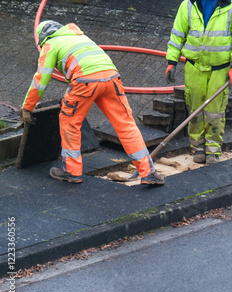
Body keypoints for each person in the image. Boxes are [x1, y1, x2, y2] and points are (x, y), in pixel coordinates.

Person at [20, 20, 164, 185]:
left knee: (69, 121)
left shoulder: (50, 44)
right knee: (125, 124)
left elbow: (40, 81)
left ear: (42, 38)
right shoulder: (79, 37)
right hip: (111, 78)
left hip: (85, 81)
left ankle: (71, 171)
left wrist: (27, 107)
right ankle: (149, 173)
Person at [166, 0, 232, 164]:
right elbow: (177, 35)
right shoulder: (189, 5)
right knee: (195, 108)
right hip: (194, 67)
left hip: (220, 69)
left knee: (215, 110)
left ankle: (213, 150)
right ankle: (198, 147)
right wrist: (171, 61)